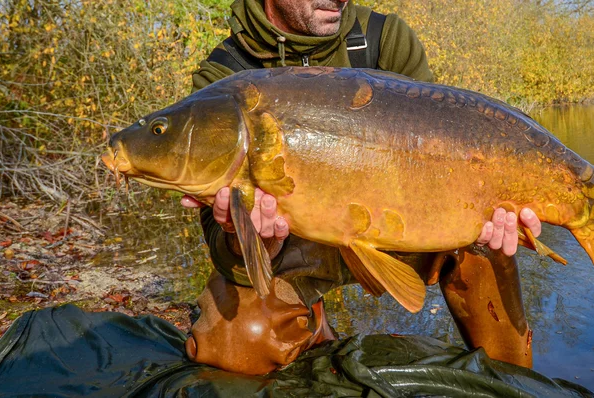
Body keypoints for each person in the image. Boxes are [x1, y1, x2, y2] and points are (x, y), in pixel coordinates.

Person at [181, 0, 544, 375]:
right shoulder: (223, 77)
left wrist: (493, 201)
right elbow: (224, 253)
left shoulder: (384, 39)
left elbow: (444, 145)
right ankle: (311, 325)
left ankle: (515, 378)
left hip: (396, 224)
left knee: (482, 238)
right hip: (295, 245)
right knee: (234, 340)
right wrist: (249, 236)